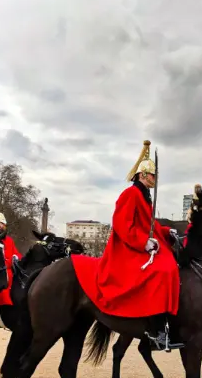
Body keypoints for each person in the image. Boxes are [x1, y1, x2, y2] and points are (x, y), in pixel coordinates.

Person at [71, 140, 181, 350]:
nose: (155, 179)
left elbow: (150, 224)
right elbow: (122, 225)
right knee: (164, 270)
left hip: (144, 245)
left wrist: (167, 232)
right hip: (128, 248)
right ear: (142, 175)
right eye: (152, 175)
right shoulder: (130, 194)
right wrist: (143, 242)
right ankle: (156, 328)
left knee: (172, 262)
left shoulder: (144, 196)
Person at [0, 208, 21, 326]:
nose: (1, 227)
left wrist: (15, 259)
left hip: (9, 270)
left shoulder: (9, 240)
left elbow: (16, 253)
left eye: (3, 225)